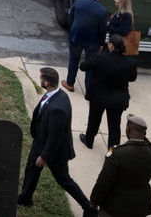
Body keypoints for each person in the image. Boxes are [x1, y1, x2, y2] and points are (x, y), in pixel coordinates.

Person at [17, 68, 97, 216]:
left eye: (41, 78)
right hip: (40, 142)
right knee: (31, 170)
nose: (40, 79)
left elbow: (56, 137)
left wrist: (44, 157)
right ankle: (25, 197)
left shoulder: (57, 109)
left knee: (64, 180)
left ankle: (90, 209)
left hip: (54, 151)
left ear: (46, 82)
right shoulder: (56, 94)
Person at [89, 115, 151, 217]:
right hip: (140, 206)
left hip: (115, 206)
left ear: (128, 129)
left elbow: (104, 181)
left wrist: (94, 201)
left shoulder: (117, 154)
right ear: (145, 134)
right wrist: (142, 136)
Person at [80, 34, 138, 151]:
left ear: (111, 45)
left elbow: (83, 67)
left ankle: (89, 140)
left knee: (94, 120)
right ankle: (113, 152)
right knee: (114, 126)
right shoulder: (130, 62)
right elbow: (132, 78)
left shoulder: (100, 58)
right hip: (117, 99)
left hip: (98, 97)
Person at [63, 0, 108, 93]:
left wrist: (71, 31)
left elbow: (71, 18)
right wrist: (101, 43)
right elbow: (102, 29)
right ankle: (89, 90)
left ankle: (70, 84)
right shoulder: (103, 10)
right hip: (92, 41)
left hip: (76, 36)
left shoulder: (78, 2)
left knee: (73, 60)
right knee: (90, 64)